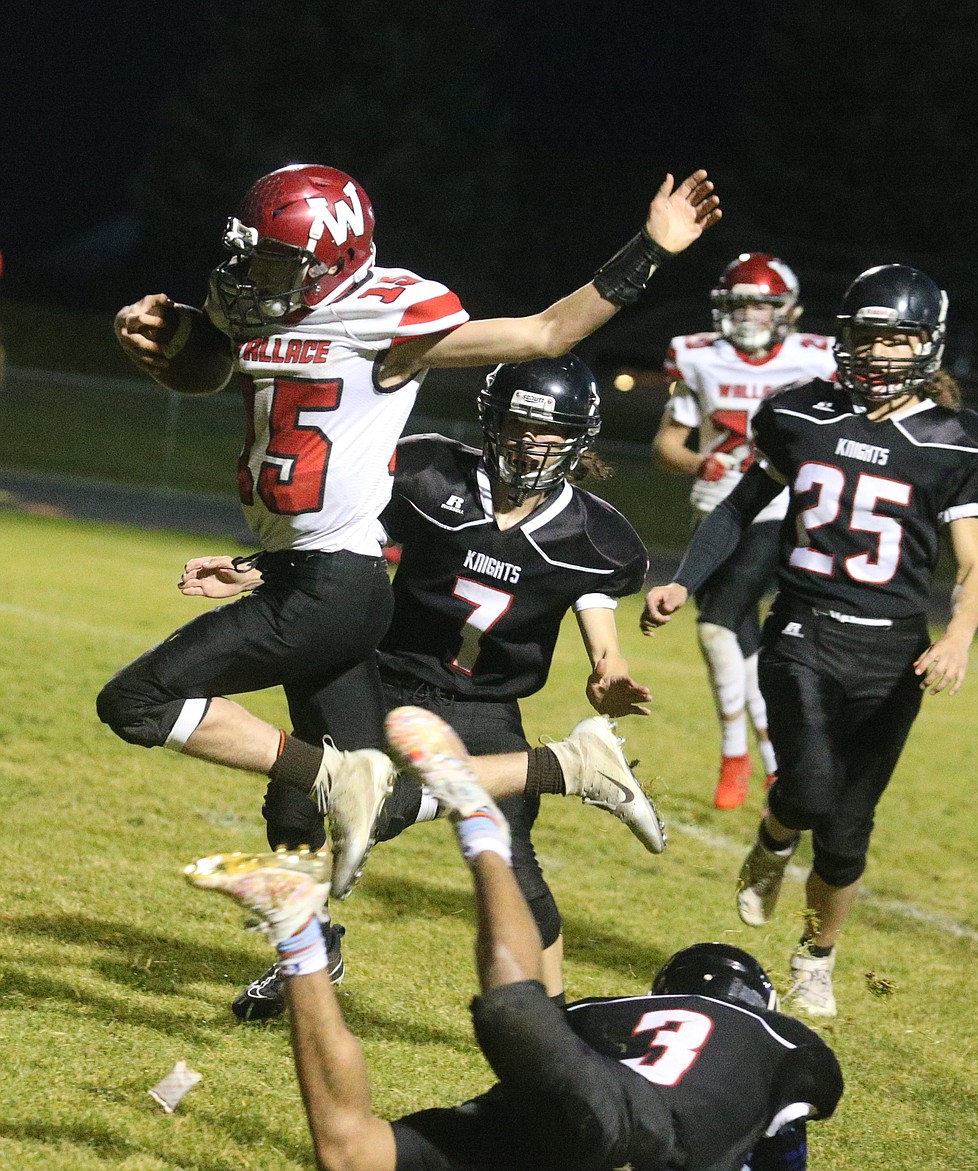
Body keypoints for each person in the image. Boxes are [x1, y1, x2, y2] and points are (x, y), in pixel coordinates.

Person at [98, 162, 719, 901]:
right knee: (369, 803)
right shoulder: (258, 301)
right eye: (254, 254)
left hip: (334, 586)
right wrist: (159, 342)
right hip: (308, 572)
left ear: (336, 257)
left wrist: (648, 248)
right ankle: (569, 768)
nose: (257, 274)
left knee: (138, 703)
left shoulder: (388, 317)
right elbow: (217, 366)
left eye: (279, 260)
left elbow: (545, 332)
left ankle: (336, 781)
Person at [182, 354, 662, 1019]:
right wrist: (253, 569)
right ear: (491, 421)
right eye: (517, 424)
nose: (529, 441)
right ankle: (309, 948)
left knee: (513, 869)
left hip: (483, 705)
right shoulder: (430, 474)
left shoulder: (598, 536)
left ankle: (558, 1021)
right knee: (298, 800)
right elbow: (340, 549)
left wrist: (608, 669)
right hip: (387, 678)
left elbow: (597, 615)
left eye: (547, 431)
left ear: (580, 439)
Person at [186, 705, 843, 1171]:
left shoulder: (608, 1013)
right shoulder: (788, 1044)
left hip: (571, 1114)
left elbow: (547, 1035)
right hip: (623, 1128)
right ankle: (475, 813)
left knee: (352, 1151)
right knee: (510, 1012)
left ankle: (302, 931)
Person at [642, 264, 978, 1018]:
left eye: (898, 340)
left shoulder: (956, 440)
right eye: (869, 337)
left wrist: (961, 635)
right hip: (805, 630)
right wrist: (687, 578)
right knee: (807, 788)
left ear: (929, 347)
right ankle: (774, 838)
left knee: (846, 835)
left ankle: (815, 958)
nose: (879, 354)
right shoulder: (800, 412)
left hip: (895, 651)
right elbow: (739, 507)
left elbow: (973, 565)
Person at [652, 253, 836, 810]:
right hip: (714, 511)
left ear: (788, 311)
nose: (751, 314)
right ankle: (773, 761)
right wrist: (695, 464)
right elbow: (666, 444)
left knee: (716, 626)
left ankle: (736, 752)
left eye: (762, 303)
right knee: (744, 642)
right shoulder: (698, 357)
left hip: (777, 513)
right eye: (741, 303)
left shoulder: (817, 359)